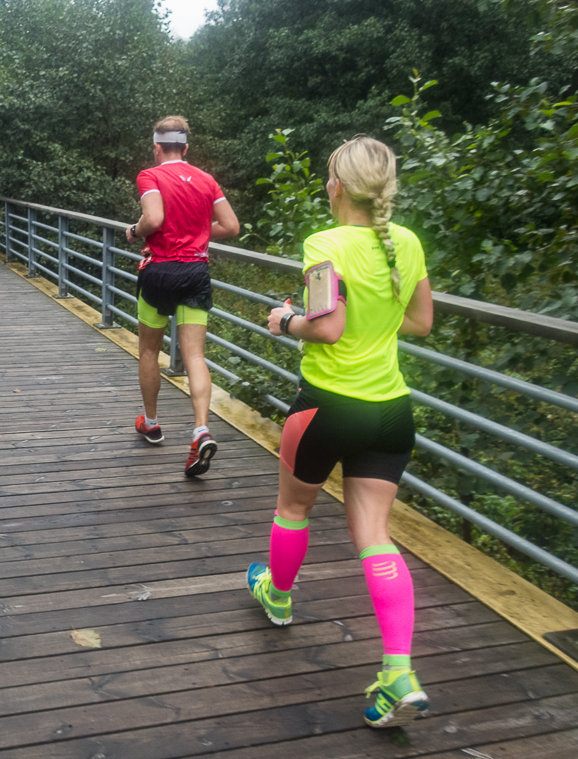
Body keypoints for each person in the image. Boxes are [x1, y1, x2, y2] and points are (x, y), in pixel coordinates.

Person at [248, 135, 434, 728]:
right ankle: (398, 672)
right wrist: (375, 321)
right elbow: (421, 321)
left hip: (327, 406)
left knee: (293, 509)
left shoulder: (324, 243)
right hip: (390, 410)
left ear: (336, 186)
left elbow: (326, 329)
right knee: (375, 535)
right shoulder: (406, 242)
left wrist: (285, 320)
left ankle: (277, 596)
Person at [126, 116, 240, 477]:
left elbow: (154, 219)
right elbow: (232, 226)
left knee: (148, 350)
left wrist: (134, 230)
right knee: (194, 355)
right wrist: (196, 234)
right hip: (195, 272)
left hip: (159, 271)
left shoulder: (151, 175)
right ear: (186, 148)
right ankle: (201, 429)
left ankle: (153, 423)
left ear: (157, 146)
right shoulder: (206, 179)